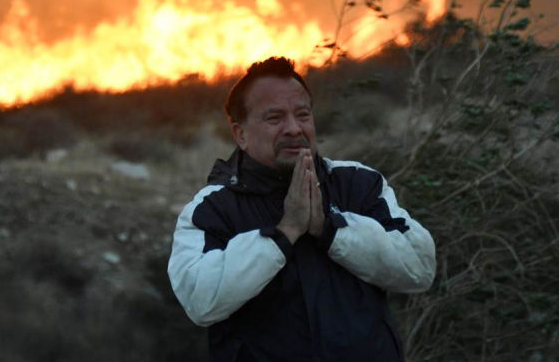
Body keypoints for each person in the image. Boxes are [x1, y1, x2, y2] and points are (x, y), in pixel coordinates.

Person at [167, 56, 436, 361]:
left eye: (303, 114)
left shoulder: (358, 183)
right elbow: (199, 299)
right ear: (240, 134)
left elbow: (420, 267)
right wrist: (284, 233)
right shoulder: (212, 208)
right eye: (274, 118)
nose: (294, 128)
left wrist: (330, 229)